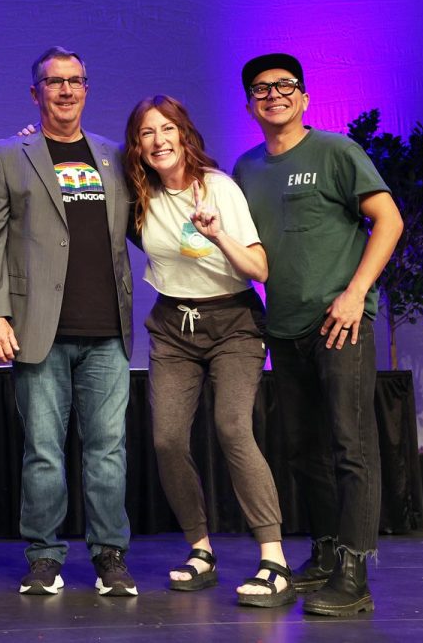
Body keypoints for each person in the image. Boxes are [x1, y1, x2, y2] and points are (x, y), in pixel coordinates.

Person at [232, 53, 403, 616]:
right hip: (284, 326)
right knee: (304, 449)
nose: (274, 95)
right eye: (261, 89)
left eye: (285, 86)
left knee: (352, 446)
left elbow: (390, 219)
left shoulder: (335, 151)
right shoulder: (247, 168)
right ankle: (326, 554)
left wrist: (356, 294)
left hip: (341, 323)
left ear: (303, 97)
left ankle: (355, 574)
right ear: (250, 103)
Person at [0, 46, 137, 597]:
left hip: (108, 332)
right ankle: (43, 556)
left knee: (107, 451)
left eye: (75, 81)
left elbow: (147, 223)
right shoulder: (7, 155)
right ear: (34, 92)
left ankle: (110, 555)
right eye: (53, 82)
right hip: (39, 329)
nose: (65, 90)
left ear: (87, 89)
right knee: (43, 453)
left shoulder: (115, 157)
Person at [122, 94, 293, 607]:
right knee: (168, 440)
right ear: (138, 145)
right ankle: (200, 550)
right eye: (148, 132)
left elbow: (258, 270)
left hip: (233, 323)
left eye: (167, 129)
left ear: (184, 133)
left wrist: (218, 235)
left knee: (232, 428)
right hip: (173, 326)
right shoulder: (138, 195)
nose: (159, 140)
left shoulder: (218, 187)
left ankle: (274, 559)